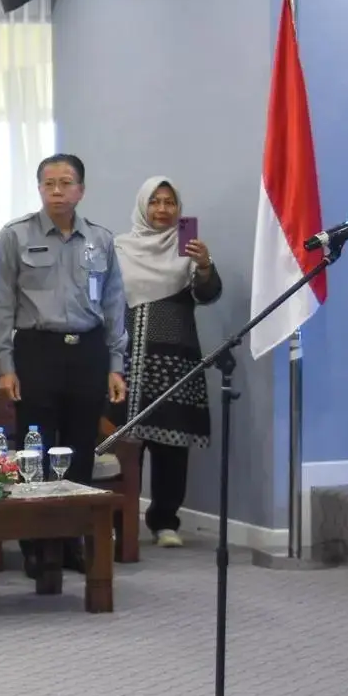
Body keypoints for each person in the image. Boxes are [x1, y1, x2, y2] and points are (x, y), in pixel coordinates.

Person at [0, 153, 127, 575]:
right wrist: (5, 364)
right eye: (49, 183)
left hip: (87, 351)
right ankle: (37, 544)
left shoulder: (100, 240)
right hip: (37, 351)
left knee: (81, 449)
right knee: (36, 449)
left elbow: (114, 304)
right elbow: (1, 304)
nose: (57, 191)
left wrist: (115, 364)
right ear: (39, 189)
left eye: (66, 183)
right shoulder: (15, 236)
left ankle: (73, 540)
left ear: (80, 190)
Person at [113, 177, 220, 548]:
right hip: (124, 360)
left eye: (169, 202)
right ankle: (118, 520)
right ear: (143, 206)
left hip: (174, 361)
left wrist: (203, 265)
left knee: (172, 446)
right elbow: (102, 298)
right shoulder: (119, 248)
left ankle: (164, 522)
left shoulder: (187, 246)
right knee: (121, 446)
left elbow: (208, 294)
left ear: (179, 208)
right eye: (155, 201)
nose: (162, 209)